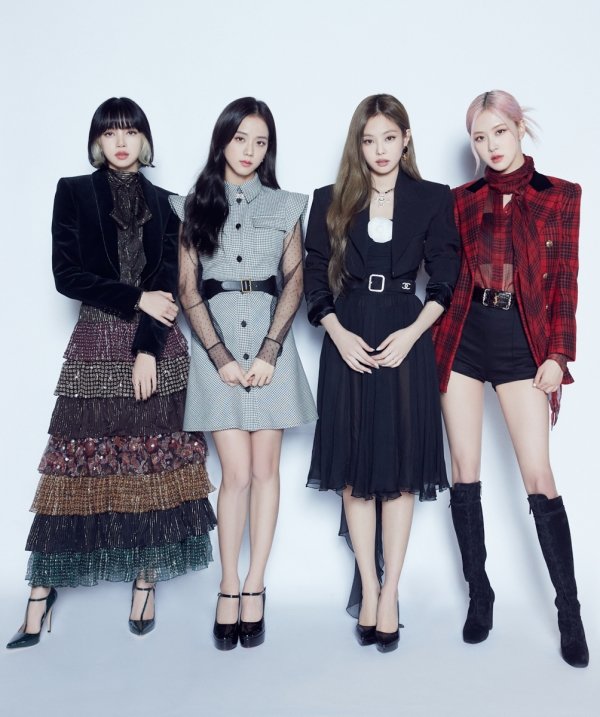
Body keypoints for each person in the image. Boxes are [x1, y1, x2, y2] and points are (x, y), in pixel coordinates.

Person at [6, 97, 216, 650]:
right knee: (75, 466)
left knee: (151, 463)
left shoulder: (169, 203)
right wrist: (135, 299)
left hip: (157, 344)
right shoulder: (73, 191)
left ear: (145, 141)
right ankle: (42, 589)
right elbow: (67, 276)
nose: (121, 142)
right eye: (110, 133)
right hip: (96, 340)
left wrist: (147, 349)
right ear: (97, 143)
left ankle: (145, 580)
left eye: (130, 131)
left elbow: (168, 285)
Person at [432, 90, 588, 668]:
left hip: (524, 342)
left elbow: (564, 282)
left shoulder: (560, 196)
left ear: (520, 128)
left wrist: (558, 355)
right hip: (463, 338)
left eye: (499, 131)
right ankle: (480, 595)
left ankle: (569, 611)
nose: (490, 145)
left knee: (538, 476)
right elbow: (444, 272)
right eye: (479, 137)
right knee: (464, 471)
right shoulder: (460, 200)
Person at [304, 94, 460, 652]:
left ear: (406, 138)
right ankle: (368, 589)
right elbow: (315, 276)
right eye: (369, 140)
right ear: (358, 144)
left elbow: (446, 275)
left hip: (404, 334)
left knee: (399, 470)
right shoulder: (330, 199)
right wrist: (338, 334)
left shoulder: (433, 198)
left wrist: (413, 334)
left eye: (389, 138)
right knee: (353, 468)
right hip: (347, 335)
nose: (379, 150)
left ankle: (391, 592)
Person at [171, 97, 316, 650]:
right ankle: (228, 584)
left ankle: (256, 584)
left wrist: (270, 351)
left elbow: (295, 281)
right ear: (222, 141)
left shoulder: (286, 206)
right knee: (233, 474)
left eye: (260, 142)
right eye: (240, 139)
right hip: (218, 350)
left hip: (270, 350)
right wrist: (221, 357)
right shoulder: (192, 207)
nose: (250, 151)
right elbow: (188, 289)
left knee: (264, 470)